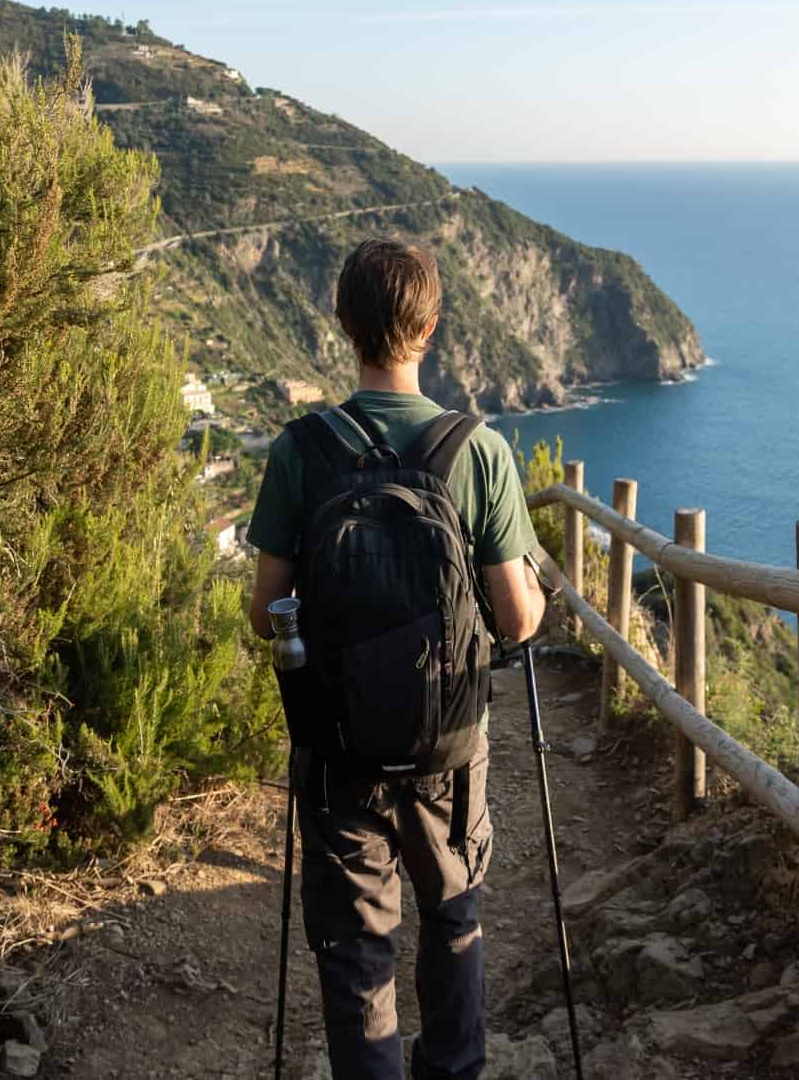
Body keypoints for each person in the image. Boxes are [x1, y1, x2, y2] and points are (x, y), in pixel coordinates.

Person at [247, 237, 546, 1080]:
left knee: (354, 944)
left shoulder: (299, 451)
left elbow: (264, 608)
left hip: (338, 746)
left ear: (343, 323)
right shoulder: (475, 451)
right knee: (454, 915)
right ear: (432, 326)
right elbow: (517, 620)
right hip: (448, 745)